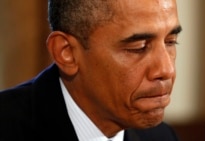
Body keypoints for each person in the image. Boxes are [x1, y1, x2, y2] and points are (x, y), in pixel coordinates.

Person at [0, 0, 182, 140]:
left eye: (170, 42)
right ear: (66, 53)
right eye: (138, 47)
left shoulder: (160, 136)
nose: (167, 70)